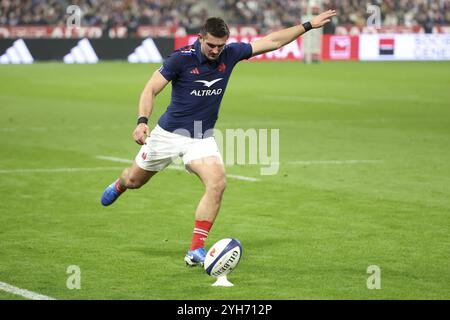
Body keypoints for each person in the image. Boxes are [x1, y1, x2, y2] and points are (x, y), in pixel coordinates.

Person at [101, 9, 337, 266]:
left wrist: (308, 25)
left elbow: (273, 41)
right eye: (211, 45)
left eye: (220, 46)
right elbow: (151, 89)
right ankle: (119, 185)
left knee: (217, 183)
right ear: (200, 38)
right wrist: (142, 122)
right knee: (134, 180)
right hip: (168, 134)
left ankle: (195, 249)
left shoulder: (231, 53)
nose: (215, 50)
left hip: (202, 137)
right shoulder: (180, 59)